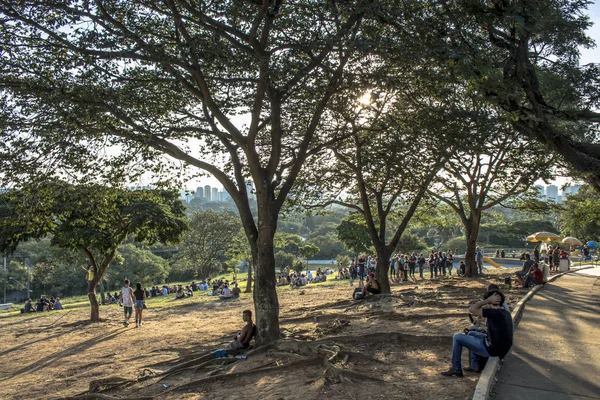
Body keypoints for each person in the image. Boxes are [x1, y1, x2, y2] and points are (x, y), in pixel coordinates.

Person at [441, 290, 513, 377]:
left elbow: (471, 309)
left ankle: (456, 368)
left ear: (490, 301)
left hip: (492, 350)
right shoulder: (505, 312)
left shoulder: (493, 312)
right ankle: (474, 365)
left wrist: (487, 300)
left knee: (457, 337)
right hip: (500, 348)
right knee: (471, 332)